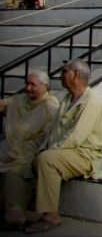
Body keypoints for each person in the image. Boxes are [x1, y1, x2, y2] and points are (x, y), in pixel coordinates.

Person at [22, 60, 102, 234]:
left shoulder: (91, 102)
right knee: (34, 160)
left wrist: (50, 152)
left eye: (64, 71)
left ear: (75, 74)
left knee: (46, 160)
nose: (60, 75)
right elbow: (52, 129)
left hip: (85, 155)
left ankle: (51, 215)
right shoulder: (67, 98)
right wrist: (43, 148)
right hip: (65, 152)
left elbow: (75, 137)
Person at [0, 71, 59, 230]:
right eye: (27, 83)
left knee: (16, 171)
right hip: (10, 147)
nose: (28, 88)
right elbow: (3, 104)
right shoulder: (20, 100)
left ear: (45, 87)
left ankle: (15, 214)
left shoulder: (51, 107)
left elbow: (51, 137)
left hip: (31, 151)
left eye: (33, 84)